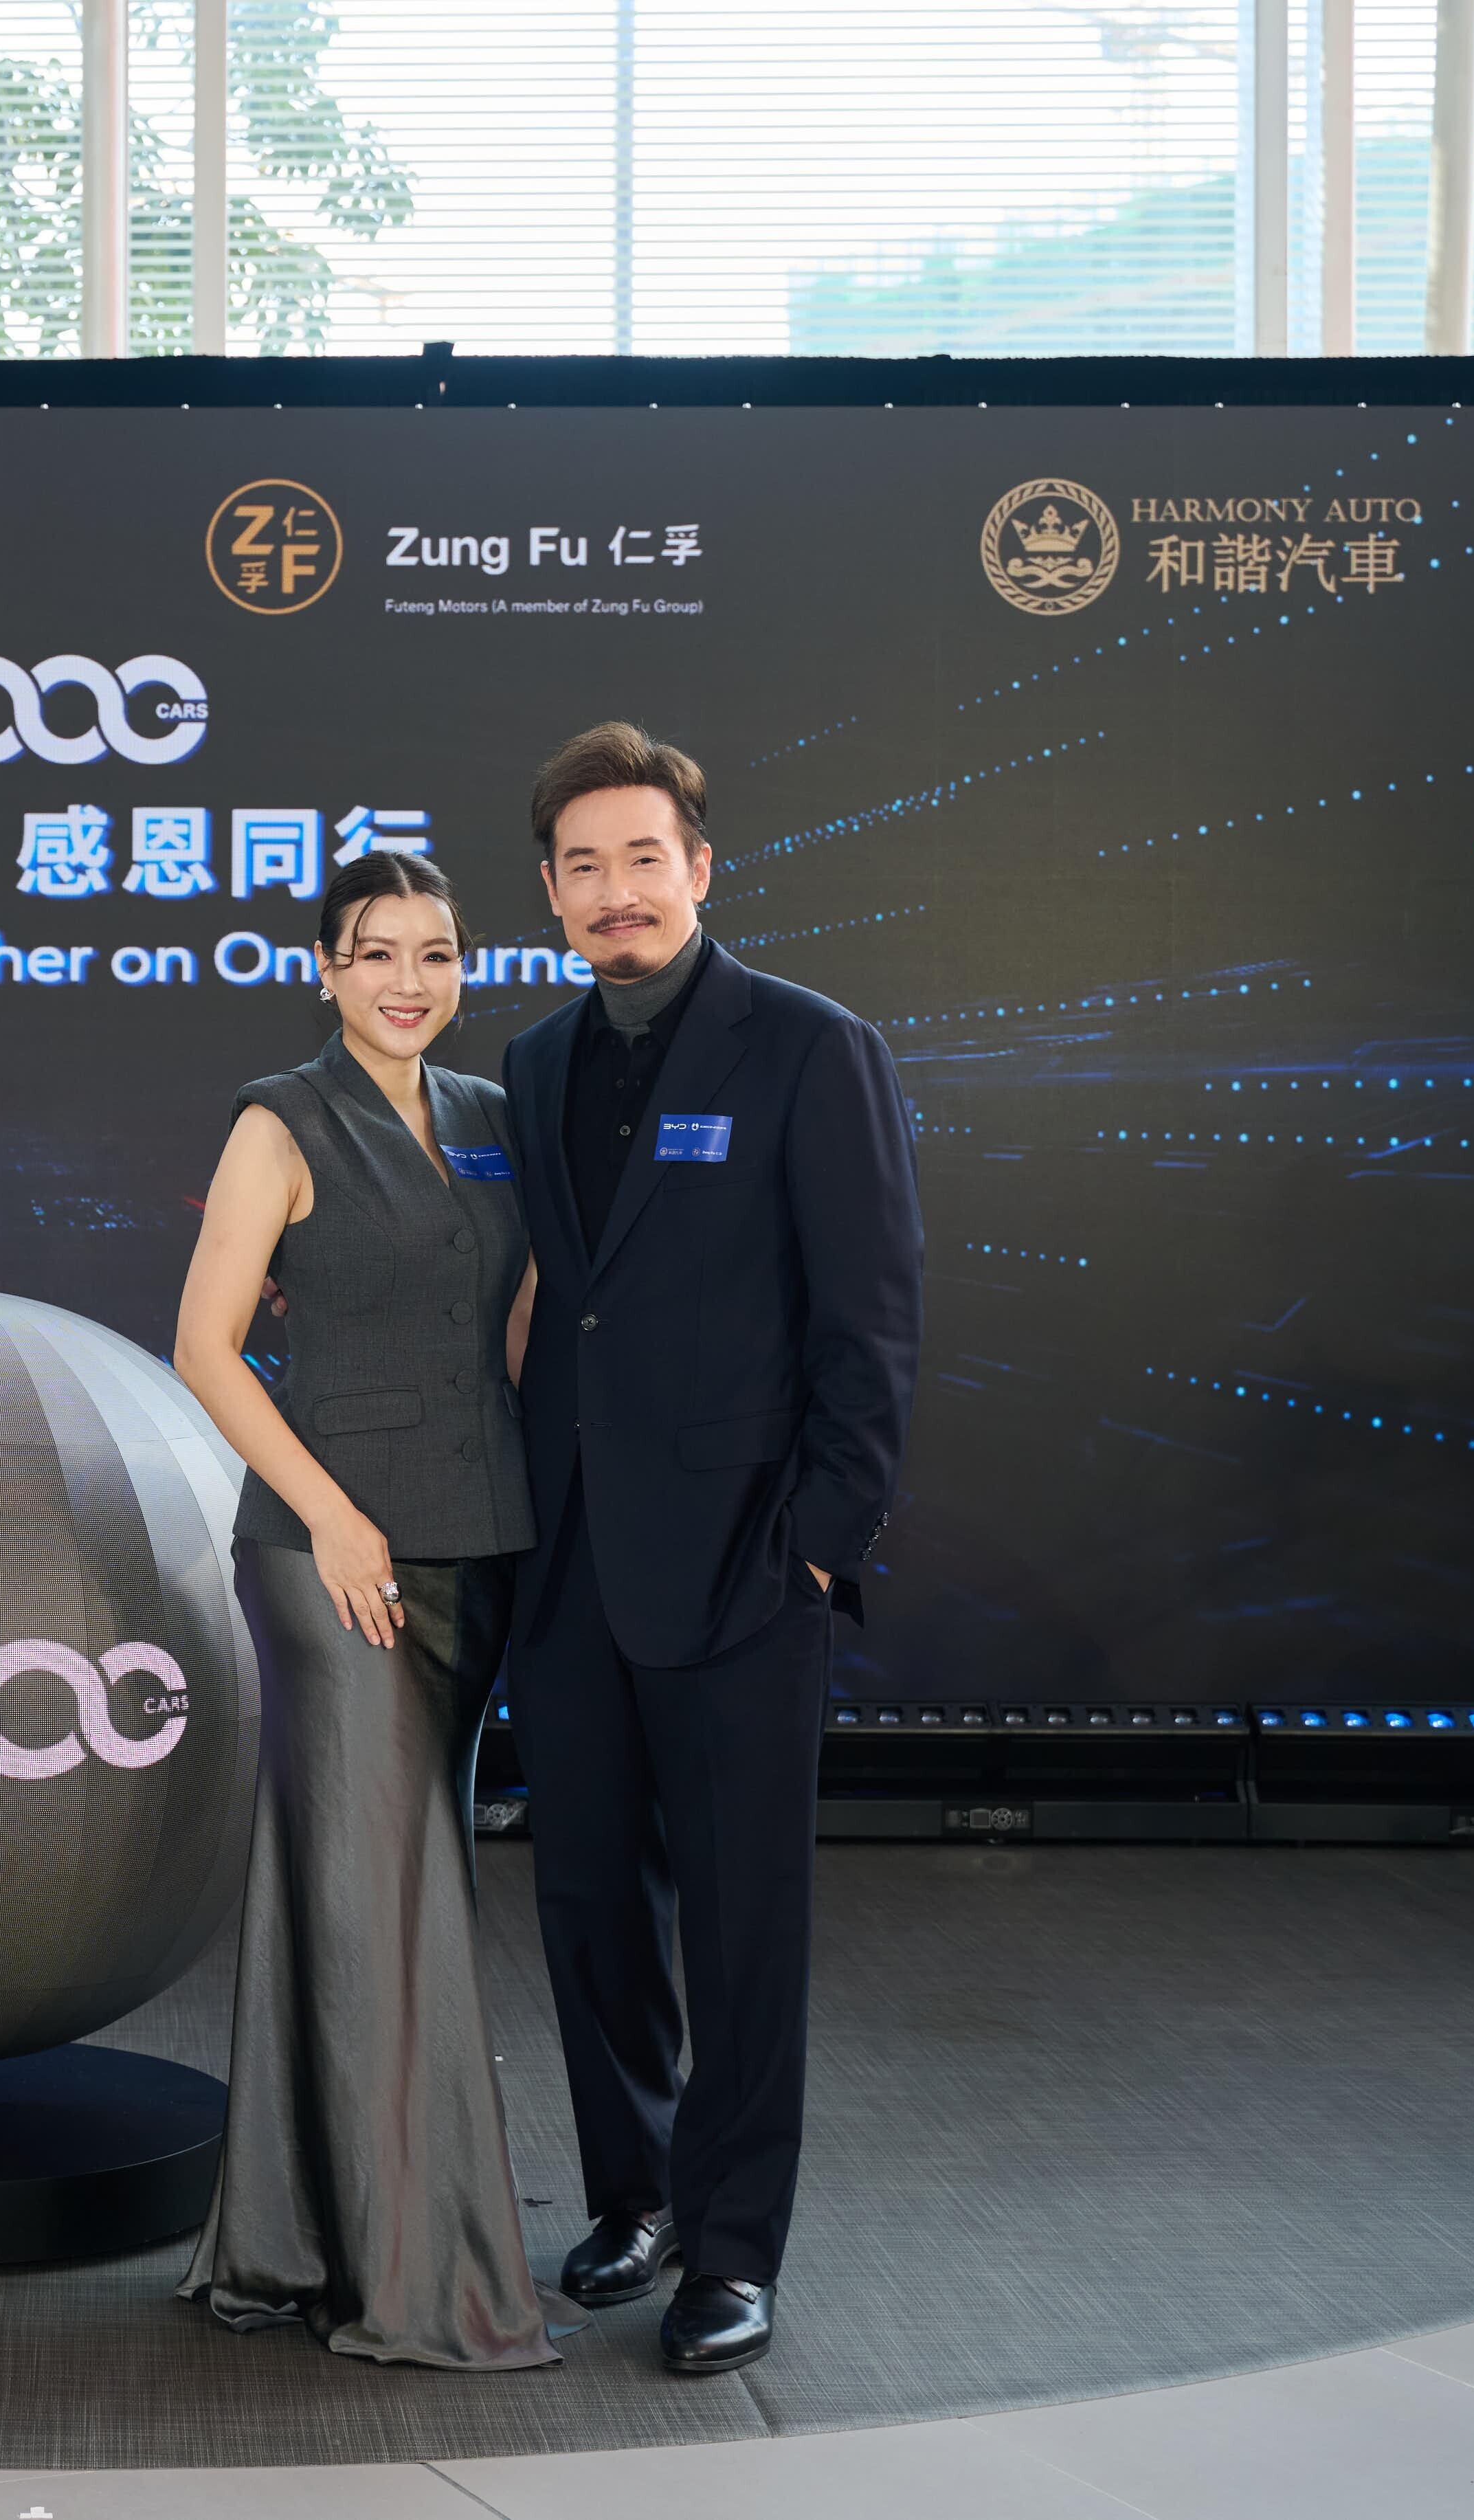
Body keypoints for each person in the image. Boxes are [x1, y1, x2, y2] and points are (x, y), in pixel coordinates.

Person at [497, 722, 924, 2376]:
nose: (616, 890)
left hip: (745, 1563)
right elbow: (569, 1305)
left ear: (699, 867)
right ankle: (637, 2194)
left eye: (642, 857)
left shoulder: (810, 1047)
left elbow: (868, 1321)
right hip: (572, 1562)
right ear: (550, 892)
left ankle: (734, 2248)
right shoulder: (538, 1062)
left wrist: (817, 1544)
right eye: (582, 866)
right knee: (590, 1905)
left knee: (745, 1930)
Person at [168, 848, 581, 2371]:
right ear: (324, 968)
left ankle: (298, 2238)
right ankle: (420, 2282)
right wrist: (336, 1518)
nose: (409, 981)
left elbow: (515, 1325)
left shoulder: (488, 1118)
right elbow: (205, 1346)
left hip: (484, 1544)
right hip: (333, 1561)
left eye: (436, 953)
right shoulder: (280, 1121)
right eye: (376, 952)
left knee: (358, 1893)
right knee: (397, 1907)